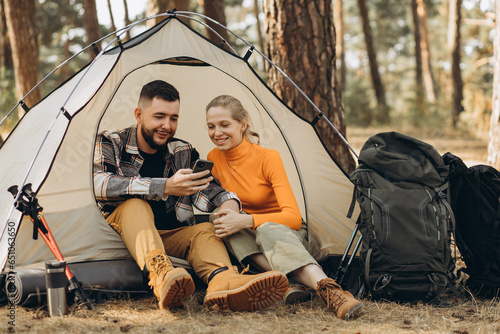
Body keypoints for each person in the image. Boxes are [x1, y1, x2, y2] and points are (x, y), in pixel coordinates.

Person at [93, 80, 288, 312]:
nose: (167, 125)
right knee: (136, 205)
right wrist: (164, 186)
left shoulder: (182, 151)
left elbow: (209, 190)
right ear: (139, 114)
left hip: (171, 234)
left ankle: (223, 282)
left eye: (173, 118)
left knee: (205, 230)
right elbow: (100, 184)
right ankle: (162, 277)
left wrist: (230, 204)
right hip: (127, 234)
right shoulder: (111, 141)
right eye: (159, 116)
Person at [205, 95, 363, 320]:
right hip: (250, 237)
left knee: (267, 228)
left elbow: (293, 217)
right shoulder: (213, 158)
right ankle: (288, 280)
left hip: (287, 234)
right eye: (211, 126)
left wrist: (248, 220)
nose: (217, 133)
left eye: (224, 125)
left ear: (243, 124)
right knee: (218, 218)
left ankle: (332, 291)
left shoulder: (267, 158)